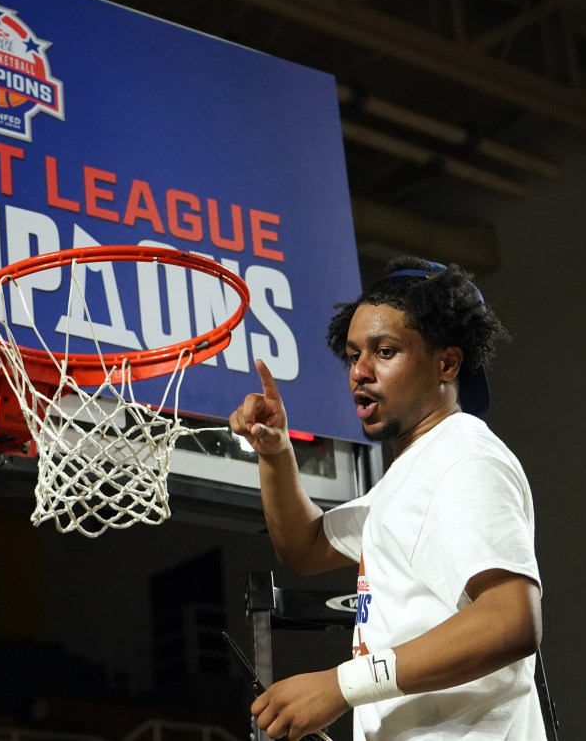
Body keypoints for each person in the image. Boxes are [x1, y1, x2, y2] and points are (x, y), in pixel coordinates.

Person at [229, 257, 544, 740]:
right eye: (354, 354)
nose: (359, 371)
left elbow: (511, 619)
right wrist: (275, 452)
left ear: (446, 363)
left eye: (386, 351)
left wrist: (339, 685)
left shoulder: (464, 458)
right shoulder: (411, 474)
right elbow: (304, 547)